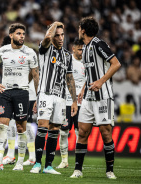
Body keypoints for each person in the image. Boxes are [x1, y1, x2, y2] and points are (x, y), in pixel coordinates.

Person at [70, 17, 121, 179]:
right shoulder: (85, 48)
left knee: (106, 133)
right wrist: (83, 89)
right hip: (88, 97)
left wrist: (101, 81)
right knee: (83, 132)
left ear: (83, 30)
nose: (78, 30)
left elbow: (116, 63)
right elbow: (90, 73)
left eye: (79, 28)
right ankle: (78, 170)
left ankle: (109, 170)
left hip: (103, 97)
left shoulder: (99, 44)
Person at [0, 23, 39, 171]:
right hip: (5, 92)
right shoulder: (3, 50)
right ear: (11, 35)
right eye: (18, 33)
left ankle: (20, 163)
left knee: (20, 128)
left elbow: (35, 75)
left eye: (23, 33)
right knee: (2, 126)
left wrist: (37, 96)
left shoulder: (30, 53)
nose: (22, 36)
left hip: (22, 92)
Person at [30, 21, 78, 174]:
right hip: (45, 93)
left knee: (55, 129)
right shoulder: (45, 49)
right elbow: (46, 38)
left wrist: (74, 100)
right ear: (51, 36)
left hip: (61, 97)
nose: (60, 38)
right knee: (43, 126)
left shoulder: (67, 56)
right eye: (57, 35)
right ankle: (37, 163)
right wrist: (56, 23)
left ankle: (48, 166)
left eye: (62, 35)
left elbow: (69, 78)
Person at [0, 36, 36, 166]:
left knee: (25, 125)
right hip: (24, 92)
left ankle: (26, 156)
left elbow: (33, 72)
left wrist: (23, 82)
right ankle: (14, 155)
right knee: (15, 124)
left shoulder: (21, 53)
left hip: (27, 93)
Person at [57, 38, 85, 169]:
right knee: (63, 131)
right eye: (79, 49)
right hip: (66, 101)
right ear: (73, 48)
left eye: (83, 49)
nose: (82, 51)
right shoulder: (67, 60)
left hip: (82, 103)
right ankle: (64, 160)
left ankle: (79, 162)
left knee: (80, 133)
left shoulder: (87, 62)